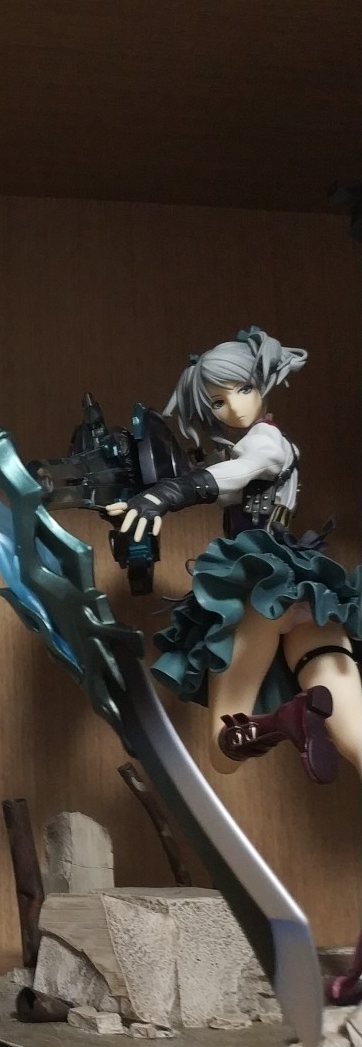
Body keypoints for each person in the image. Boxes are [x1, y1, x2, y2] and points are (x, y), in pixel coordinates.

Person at [106, 326, 361, 788]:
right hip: (308, 591)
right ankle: (297, 715)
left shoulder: (265, 442)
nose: (236, 407)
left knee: (223, 750)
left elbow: (238, 471)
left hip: (260, 588)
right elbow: (223, 478)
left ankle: (283, 720)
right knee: (355, 734)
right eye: (219, 402)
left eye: (244, 389)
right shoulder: (249, 447)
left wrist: (166, 495)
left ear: (262, 383)